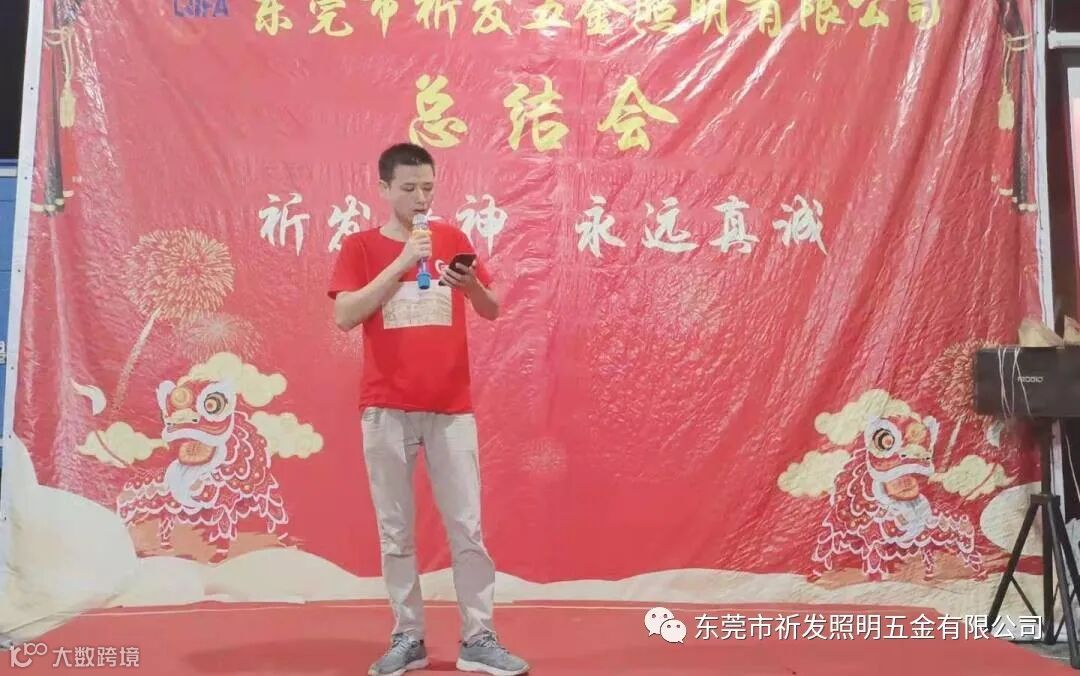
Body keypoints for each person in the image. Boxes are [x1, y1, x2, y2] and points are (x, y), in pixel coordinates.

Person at [328, 142, 529, 676]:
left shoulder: (453, 239)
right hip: (385, 409)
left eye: (427, 188)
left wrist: (470, 285)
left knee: (468, 528)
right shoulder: (360, 246)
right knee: (395, 532)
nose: (421, 198)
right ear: (384, 188)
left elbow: (492, 307)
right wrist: (401, 263)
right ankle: (408, 636)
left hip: (450, 409)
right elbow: (345, 315)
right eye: (409, 188)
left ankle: (479, 636)